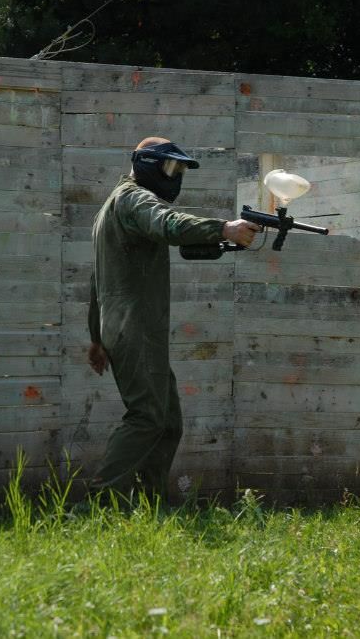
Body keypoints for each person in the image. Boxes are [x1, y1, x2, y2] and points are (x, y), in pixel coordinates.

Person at [86, 136, 259, 502]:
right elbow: (169, 224)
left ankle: (150, 503)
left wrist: (96, 338)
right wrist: (223, 229)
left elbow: (96, 280)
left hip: (125, 327)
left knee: (167, 422)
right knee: (147, 417)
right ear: (146, 163)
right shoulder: (134, 199)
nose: (175, 175)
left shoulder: (113, 206)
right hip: (135, 327)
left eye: (179, 169)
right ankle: (100, 502)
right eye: (170, 167)